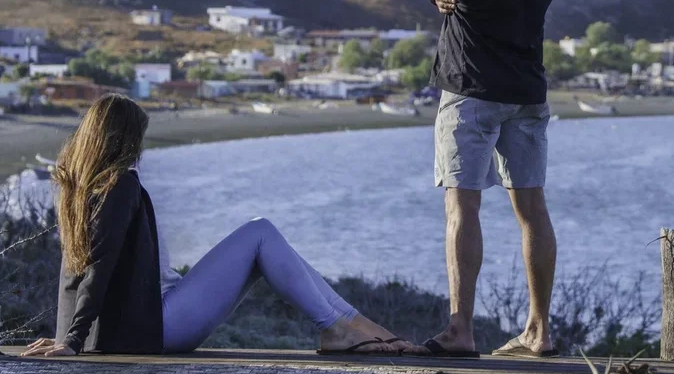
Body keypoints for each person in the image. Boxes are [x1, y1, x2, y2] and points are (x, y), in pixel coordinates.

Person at [23, 94, 422, 357]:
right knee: (260, 233)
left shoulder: (77, 189)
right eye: (137, 142)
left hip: (131, 323)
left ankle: (352, 325)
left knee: (262, 236)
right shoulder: (119, 183)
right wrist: (71, 343)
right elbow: (100, 265)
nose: (140, 153)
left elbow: (78, 272)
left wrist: (67, 337)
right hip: (151, 328)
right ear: (121, 142)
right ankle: (341, 327)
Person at [422, 0, 568, 358]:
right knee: (532, 208)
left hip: (469, 87)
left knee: (463, 209)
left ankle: (461, 329)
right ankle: (539, 330)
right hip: (528, 87)